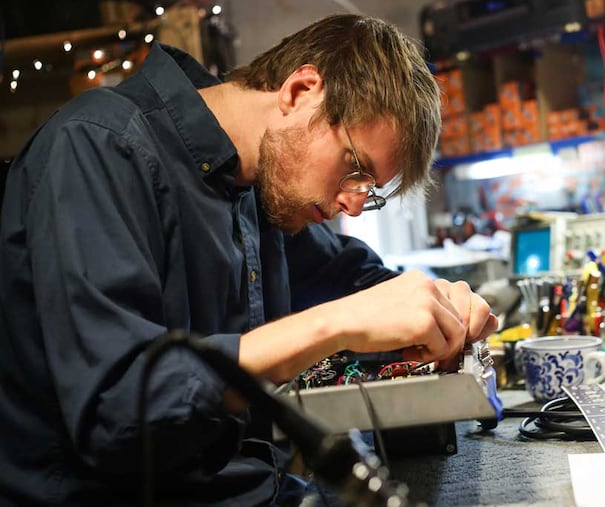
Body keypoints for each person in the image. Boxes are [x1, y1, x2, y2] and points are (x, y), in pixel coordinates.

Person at [0, 13, 498, 505]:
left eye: (370, 192)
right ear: (301, 91)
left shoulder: (260, 187)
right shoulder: (100, 146)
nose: (351, 203)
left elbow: (356, 283)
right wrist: (334, 324)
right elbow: (121, 408)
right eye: (355, 168)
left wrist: (441, 307)